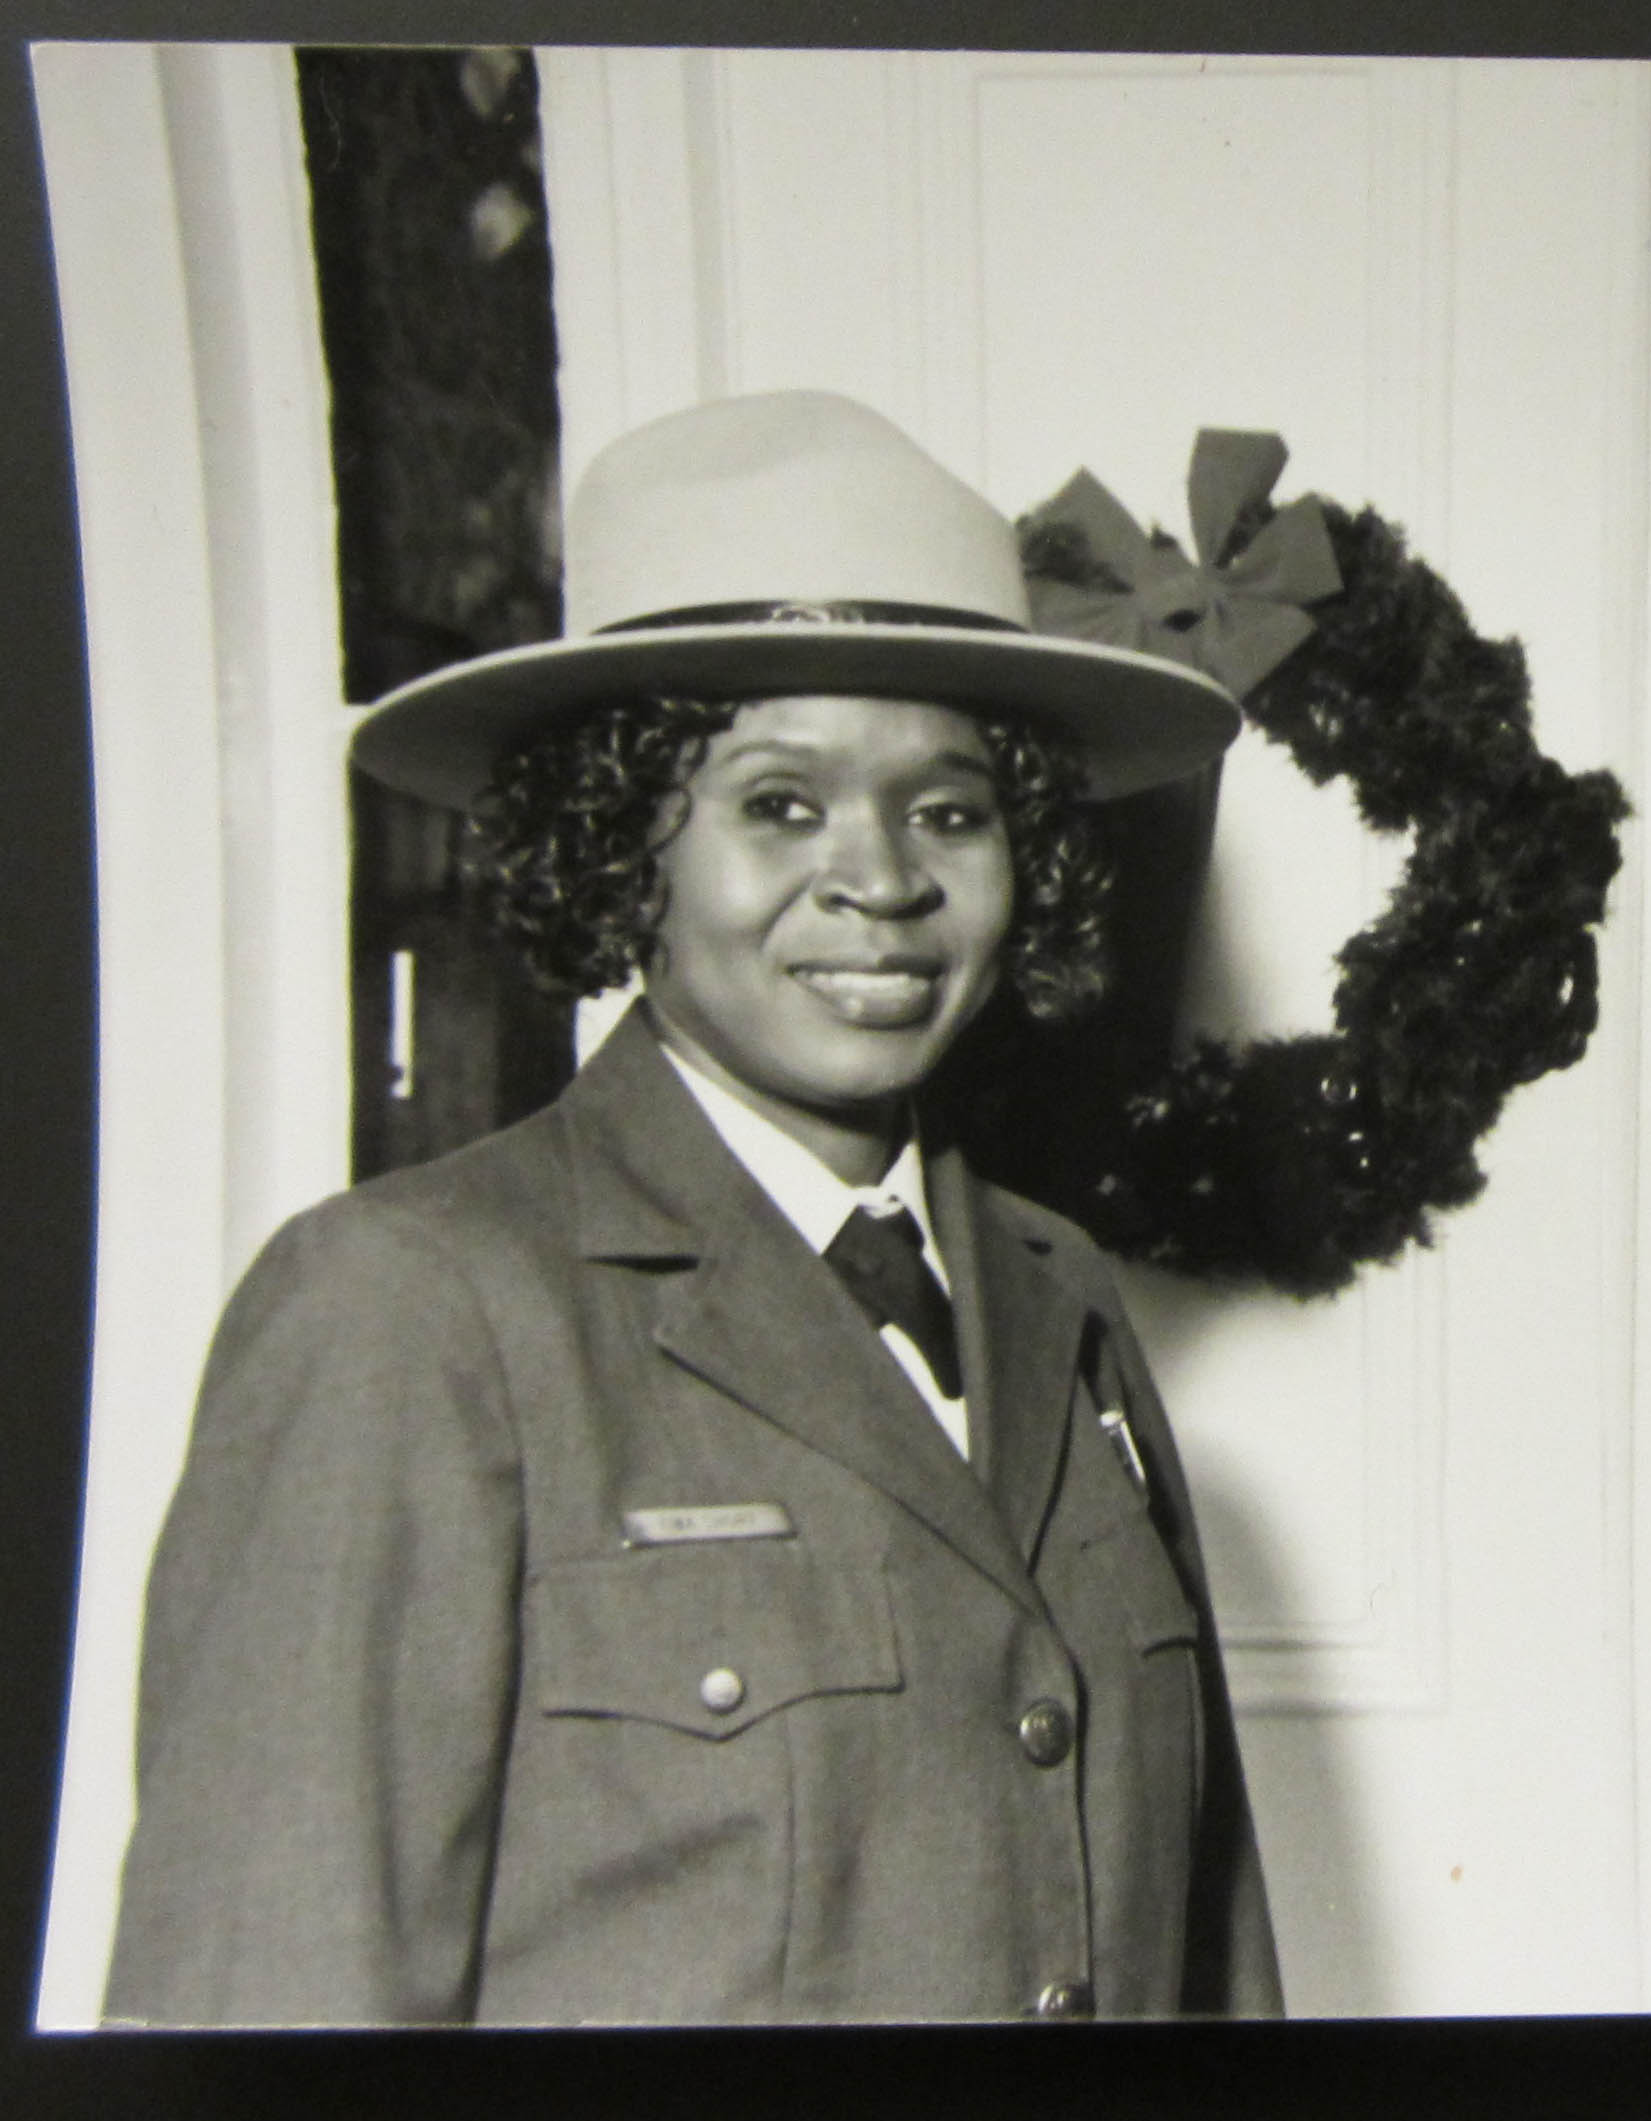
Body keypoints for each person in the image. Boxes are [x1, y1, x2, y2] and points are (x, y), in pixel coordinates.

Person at [104, 391, 1282, 2026]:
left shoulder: (1056, 1288)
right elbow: (263, 2006)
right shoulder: (407, 1306)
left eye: (950, 809)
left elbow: (1213, 1968)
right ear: (621, 847)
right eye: (778, 804)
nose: (879, 881)